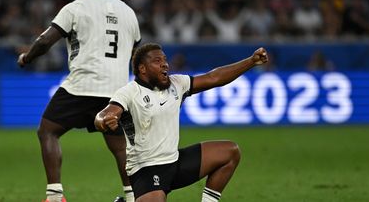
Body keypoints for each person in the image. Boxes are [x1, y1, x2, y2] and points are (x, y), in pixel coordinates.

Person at [17, 0, 140, 202]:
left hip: (81, 86)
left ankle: (54, 196)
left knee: (48, 131)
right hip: (117, 90)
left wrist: (27, 58)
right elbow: (135, 51)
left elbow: (45, 41)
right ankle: (134, 197)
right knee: (120, 146)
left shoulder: (75, 8)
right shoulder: (128, 12)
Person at [94, 43, 268, 201]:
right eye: (157, 61)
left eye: (165, 60)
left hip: (175, 162)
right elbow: (105, 114)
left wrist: (251, 61)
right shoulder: (129, 92)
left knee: (229, 152)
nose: (165, 64)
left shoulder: (177, 84)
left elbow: (214, 78)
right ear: (142, 69)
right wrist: (103, 121)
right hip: (146, 170)